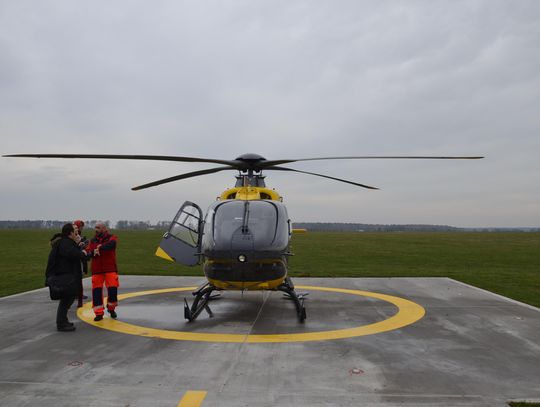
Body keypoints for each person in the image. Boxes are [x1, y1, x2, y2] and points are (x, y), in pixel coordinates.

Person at [46, 223, 89, 332]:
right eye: (74, 232)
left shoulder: (66, 242)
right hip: (64, 276)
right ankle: (61, 323)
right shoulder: (65, 243)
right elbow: (74, 254)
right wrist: (83, 252)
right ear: (70, 233)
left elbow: (74, 252)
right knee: (67, 299)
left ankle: (63, 320)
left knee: (68, 298)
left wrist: (80, 247)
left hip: (65, 275)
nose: (77, 233)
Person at [86, 222, 119, 321]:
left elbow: (112, 245)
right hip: (97, 269)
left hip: (110, 268)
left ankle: (111, 308)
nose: (96, 229)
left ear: (104, 228)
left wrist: (99, 248)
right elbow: (88, 253)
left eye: (98, 228)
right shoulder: (92, 240)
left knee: (113, 290)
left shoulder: (111, 238)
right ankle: (98, 313)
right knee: (96, 292)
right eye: (95, 227)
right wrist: (93, 253)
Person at [73, 220, 89, 307]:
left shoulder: (76, 234)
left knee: (78, 276)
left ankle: (76, 294)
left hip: (78, 257)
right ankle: (78, 294)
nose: (82, 227)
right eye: (81, 226)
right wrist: (82, 244)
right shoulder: (76, 234)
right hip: (78, 258)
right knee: (78, 276)